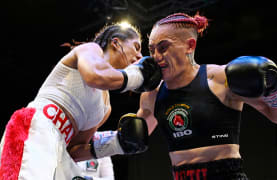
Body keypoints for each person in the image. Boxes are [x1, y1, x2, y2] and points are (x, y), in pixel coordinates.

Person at [134, 12, 277, 180]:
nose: (156, 56)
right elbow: (132, 140)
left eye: (163, 47)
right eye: (152, 50)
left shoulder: (221, 79)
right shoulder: (152, 95)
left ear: (190, 46)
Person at [0, 22, 161, 180]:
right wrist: (137, 75)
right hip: (37, 127)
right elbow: (94, 76)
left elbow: (75, 149)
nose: (140, 56)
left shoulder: (105, 107)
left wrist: (117, 142)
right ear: (116, 43)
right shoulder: (90, 50)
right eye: (136, 47)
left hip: (61, 149)